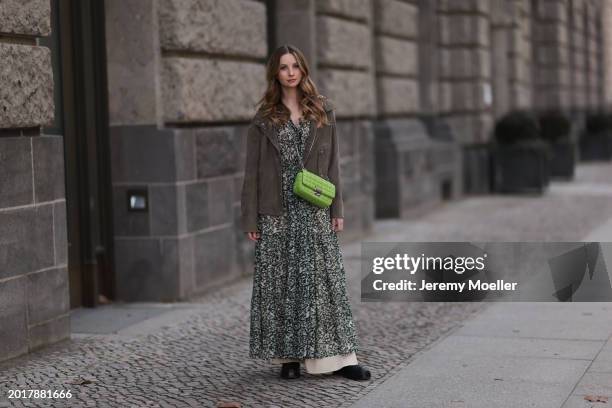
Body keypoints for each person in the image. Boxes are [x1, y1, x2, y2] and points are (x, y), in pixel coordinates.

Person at [240, 44, 371, 381]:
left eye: (295, 65)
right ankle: (289, 359)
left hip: (313, 206)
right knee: (281, 283)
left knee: (325, 282)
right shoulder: (264, 119)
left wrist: (336, 208)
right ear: (275, 73)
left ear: (304, 69)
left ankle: (342, 359)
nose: (291, 72)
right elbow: (252, 172)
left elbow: (333, 165)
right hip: (277, 210)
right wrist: (251, 217)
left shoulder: (322, 110)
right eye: (284, 67)